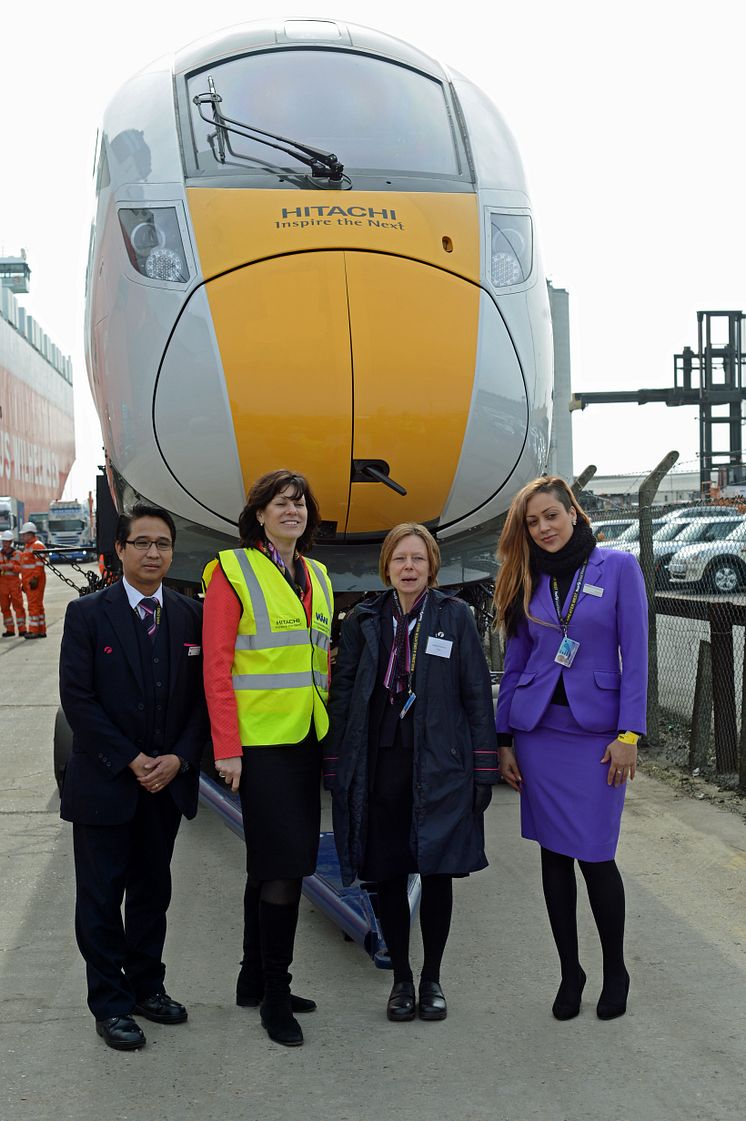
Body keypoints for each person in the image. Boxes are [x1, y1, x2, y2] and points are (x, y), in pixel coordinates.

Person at [324, 523, 498, 1023]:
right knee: (388, 872)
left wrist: (483, 767)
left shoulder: (455, 617)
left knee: (438, 872)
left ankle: (433, 978)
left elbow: (474, 695)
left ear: (432, 566)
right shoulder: (363, 619)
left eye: (418, 559)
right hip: (379, 765)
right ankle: (401, 977)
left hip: (441, 766)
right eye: (400, 558)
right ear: (387, 566)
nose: (408, 567)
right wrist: (336, 761)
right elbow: (344, 692)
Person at [493, 477, 648, 1022]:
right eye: (533, 523)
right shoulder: (526, 576)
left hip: (597, 739)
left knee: (597, 858)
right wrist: (504, 739)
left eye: (551, 516)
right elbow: (515, 663)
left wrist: (630, 734)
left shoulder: (618, 567)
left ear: (574, 514)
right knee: (554, 857)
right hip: (538, 734)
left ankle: (615, 970)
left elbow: (637, 653)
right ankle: (570, 972)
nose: (544, 529)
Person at [59, 503, 207, 1051]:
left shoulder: (191, 615)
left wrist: (179, 759)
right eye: (141, 543)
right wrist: (129, 759)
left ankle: (148, 987)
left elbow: (202, 701)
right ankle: (111, 1004)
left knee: (152, 893)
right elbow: (78, 699)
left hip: (164, 785)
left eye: (163, 544)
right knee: (100, 900)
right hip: (105, 783)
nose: (153, 553)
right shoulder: (87, 614)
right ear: (119, 550)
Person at [202, 469, 333, 1048]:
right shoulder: (233, 570)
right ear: (259, 513)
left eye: (300, 504)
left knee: (277, 862)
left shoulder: (318, 576)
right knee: (282, 870)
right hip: (259, 747)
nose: (293, 512)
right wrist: (226, 748)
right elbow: (217, 666)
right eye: (281, 503)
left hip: (306, 737)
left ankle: (252, 978)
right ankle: (276, 996)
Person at [19, 521, 46, 638]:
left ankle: (34, 630)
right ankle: (41, 630)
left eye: (24, 534)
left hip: (35, 581)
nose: (23, 536)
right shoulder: (29, 546)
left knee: (33, 606)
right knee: (37, 605)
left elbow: (39, 564)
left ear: (30, 534)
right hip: (29, 581)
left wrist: (35, 579)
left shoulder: (37, 545)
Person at [0, 530, 26, 637]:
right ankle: (10, 629)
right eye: (3, 542)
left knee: (18, 606)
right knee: (5, 607)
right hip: (2, 585)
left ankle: (22, 629)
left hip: (14, 584)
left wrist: (11, 567)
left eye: (6, 542)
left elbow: (23, 569)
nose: (4, 544)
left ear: (11, 542)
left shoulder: (18, 554)